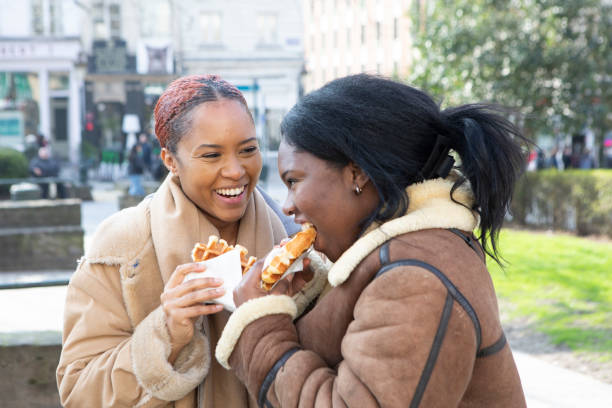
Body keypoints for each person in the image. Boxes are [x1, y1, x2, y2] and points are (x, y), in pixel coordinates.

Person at [215, 74, 529, 407]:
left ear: (358, 173)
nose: (287, 205)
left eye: (294, 181)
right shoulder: (401, 257)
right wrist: (299, 302)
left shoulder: (417, 278)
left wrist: (260, 323)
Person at [56, 75, 303, 407]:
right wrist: (166, 332)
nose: (235, 171)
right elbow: (79, 391)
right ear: (170, 160)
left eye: (248, 150)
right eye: (211, 156)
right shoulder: (121, 249)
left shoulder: (295, 243)